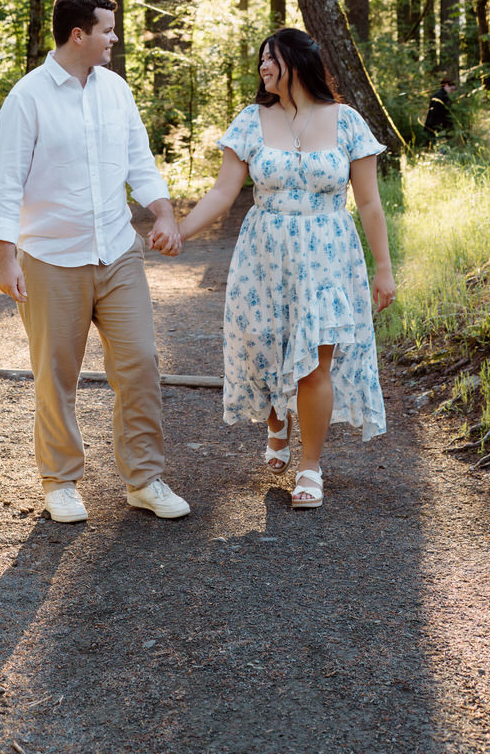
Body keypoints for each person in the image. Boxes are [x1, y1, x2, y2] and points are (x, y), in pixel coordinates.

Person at [163, 28, 395, 510]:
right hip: (264, 254)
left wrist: (384, 269)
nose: (263, 68)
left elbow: (370, 203)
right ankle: (276, 418)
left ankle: (310, 466)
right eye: (261, 61)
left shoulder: (347, 121)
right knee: (266, 346)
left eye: (271, 59)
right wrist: (181, 230)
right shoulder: (251, 121)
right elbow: (224, 192)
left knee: (315, 360)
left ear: (297, 61)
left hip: (329, 256)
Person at [0, 0, 190, 524]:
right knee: (57, 374)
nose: (114, 39)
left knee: (141, 363)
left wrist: (163, 213)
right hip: (51, 257)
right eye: (107, 30)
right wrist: (5, 259)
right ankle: (60, 482)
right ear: (80, 35)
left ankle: (144, 480)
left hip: (117, 252)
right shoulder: (27, 98)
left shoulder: (115, 91)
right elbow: (6, 185)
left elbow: (139, 161)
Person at [423, 77, 456, 144]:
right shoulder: (440, 96)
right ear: (446, 85)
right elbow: (439, 114)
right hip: (437, 128)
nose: (452, 89)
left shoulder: (443, 96)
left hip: (436, 127)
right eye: (451, 87)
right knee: (439, 148)